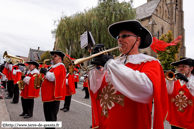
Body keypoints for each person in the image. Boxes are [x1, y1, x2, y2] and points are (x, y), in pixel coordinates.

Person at [88, 20, 168, 129]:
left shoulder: (150, 62)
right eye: (118, 37)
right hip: (107, 123)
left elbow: (146, 90)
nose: (119, 39)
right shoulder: (115, 63)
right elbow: (95, 88)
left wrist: (109, 63)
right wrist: (97, 69)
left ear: (137, 40)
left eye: (124, 36)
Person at [166, 57, 194, 129]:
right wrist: (170, 80)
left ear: (191, 68)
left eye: (184, 66)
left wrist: (186, 79)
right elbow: (168, 91)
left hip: (190, 121)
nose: (180, 68)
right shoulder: (175, 80)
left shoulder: (192, 81)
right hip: (176, 120)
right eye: (179, 67)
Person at [40, 50, 66, 125]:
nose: (53, 57)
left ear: (60, 58)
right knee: (48, 117)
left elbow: (53, 77)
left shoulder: (60, 66)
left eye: (55, 56)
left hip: (53, 96)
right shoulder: (53, 67)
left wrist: (45, 72)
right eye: (53, 56)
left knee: (51, 118)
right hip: (48, 96)